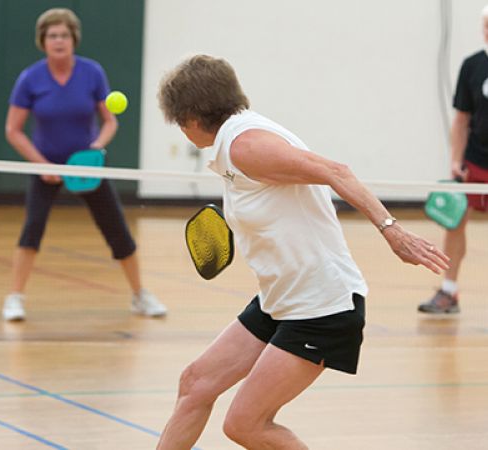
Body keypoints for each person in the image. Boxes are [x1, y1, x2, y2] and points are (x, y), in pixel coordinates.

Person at [155, 54, 449, 450]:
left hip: (321, 310)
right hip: (280, 299)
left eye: (178, 122)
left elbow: (337, 171)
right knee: (195, 385)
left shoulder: (246, 145)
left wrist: (391, 230)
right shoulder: (237, 140)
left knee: (246, 424)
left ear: (191, 117)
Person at [2, 8, 167, 321]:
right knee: (32, 229)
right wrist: (41, 165)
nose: (59, 40)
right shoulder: (30, 78)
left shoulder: (92, 73)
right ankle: (14, 298)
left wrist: (96, 148)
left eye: (64, 34)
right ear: (43, 41)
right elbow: (12, 130)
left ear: (74, 38)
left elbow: (109, 121)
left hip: (88, 167)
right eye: (52, 35)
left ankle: (139, 295)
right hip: (46, 165)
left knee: (117, 229)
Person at [418, 5, 488, 314]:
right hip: (474, 159)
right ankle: (448, 293)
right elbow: (461, 119)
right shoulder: (473, 66)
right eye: (487, 26)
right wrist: (456, 160)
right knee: (454, 224)